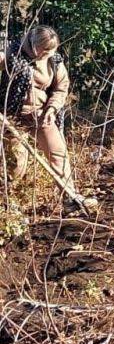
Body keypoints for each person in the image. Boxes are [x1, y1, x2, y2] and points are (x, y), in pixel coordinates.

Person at [0, 26, 96, 212]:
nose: (49, 55)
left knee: (58, 153)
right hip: (12, 118)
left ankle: (70, 199)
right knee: (16, 162)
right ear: (35, 47)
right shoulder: (11, 53)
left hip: (42, 115)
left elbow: (62, 87)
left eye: (52, 51)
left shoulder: (54, 61)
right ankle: (9, 204)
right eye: (46, 51)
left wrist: (52, 108)